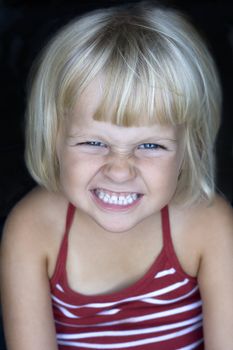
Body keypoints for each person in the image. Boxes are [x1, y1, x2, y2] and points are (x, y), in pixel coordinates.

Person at [1, 1, 233, 349]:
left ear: (191, 146)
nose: (120, 170)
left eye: (151, 146)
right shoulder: (33, 229)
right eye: (94, 142)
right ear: (53, 136)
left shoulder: (209, 224)